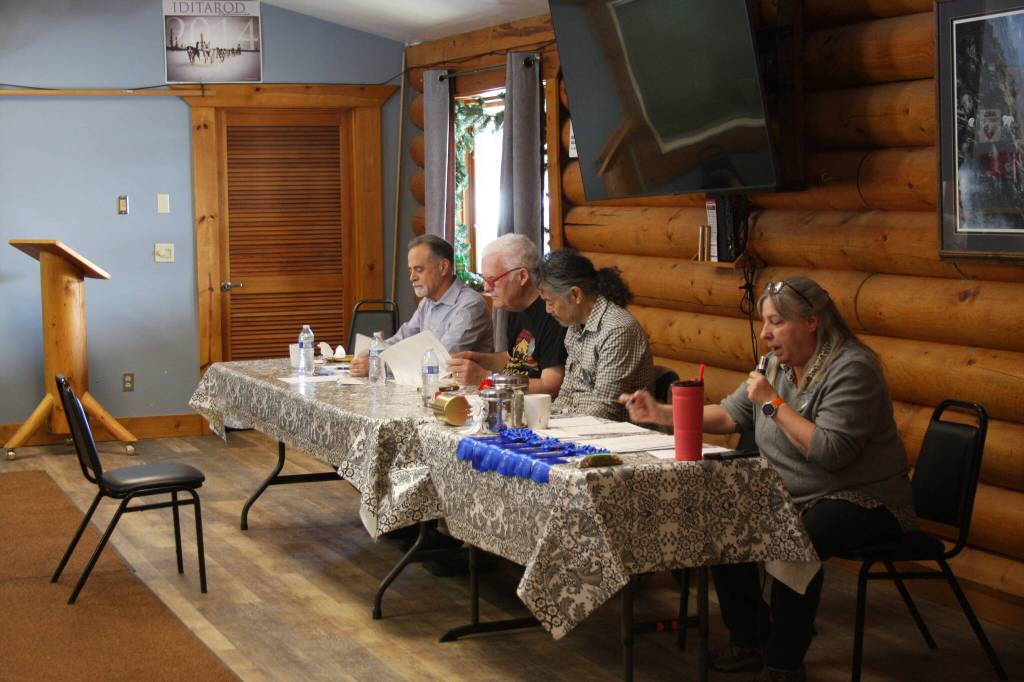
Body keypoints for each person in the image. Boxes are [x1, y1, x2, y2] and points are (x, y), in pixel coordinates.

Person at [620, 276, 915, 682]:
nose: (765, 334)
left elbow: (830, 452)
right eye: (764, 323)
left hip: (862, 498)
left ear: (811, 321)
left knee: (801, 533)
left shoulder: (851, 369)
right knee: (723, 513)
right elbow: (729, 415)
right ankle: (751, 638)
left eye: (775, 322)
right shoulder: (774, 364)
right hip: (790, 492)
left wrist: (772, 403)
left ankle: (784, 660)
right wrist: (661, 414)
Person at [532, 249, 653, 421]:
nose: (547, 310)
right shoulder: (575, 326)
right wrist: (546, 421)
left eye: (550, 302)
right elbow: (567, 393)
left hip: (614, 435)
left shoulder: (617, 329)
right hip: (578, 426)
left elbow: (605, 409)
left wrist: (560, 428)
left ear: (575, 294)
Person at [350, 235, 492, 377]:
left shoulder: (470, 306)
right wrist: (373, 352)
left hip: (461, 396)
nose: (412, 277)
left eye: (418, 269)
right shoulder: (427, 302)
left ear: (443, 267)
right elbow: (402, 339)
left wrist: (379, 365)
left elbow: (439, 360)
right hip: (430, 388)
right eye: (410, 270)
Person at [446, 234, 566, 396]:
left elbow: (550, 387)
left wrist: (485, 378)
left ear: (522, 276)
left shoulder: (552, 312)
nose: (486, 288)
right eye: (483, 279)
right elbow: (515, 359)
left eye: (492, 280)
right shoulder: (515, 304)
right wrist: (478, 359)